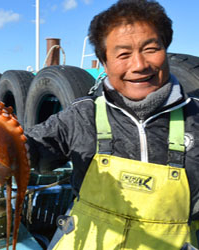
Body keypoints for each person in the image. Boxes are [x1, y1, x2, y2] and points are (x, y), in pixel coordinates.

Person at [25, 0, 199, 249]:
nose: (139, 65)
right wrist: (0, 142)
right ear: (104, 63)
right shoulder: (81, 116)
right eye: (123, 54)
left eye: (151, 49)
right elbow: (31, 149)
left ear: (166, 49)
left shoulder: (196, 118)